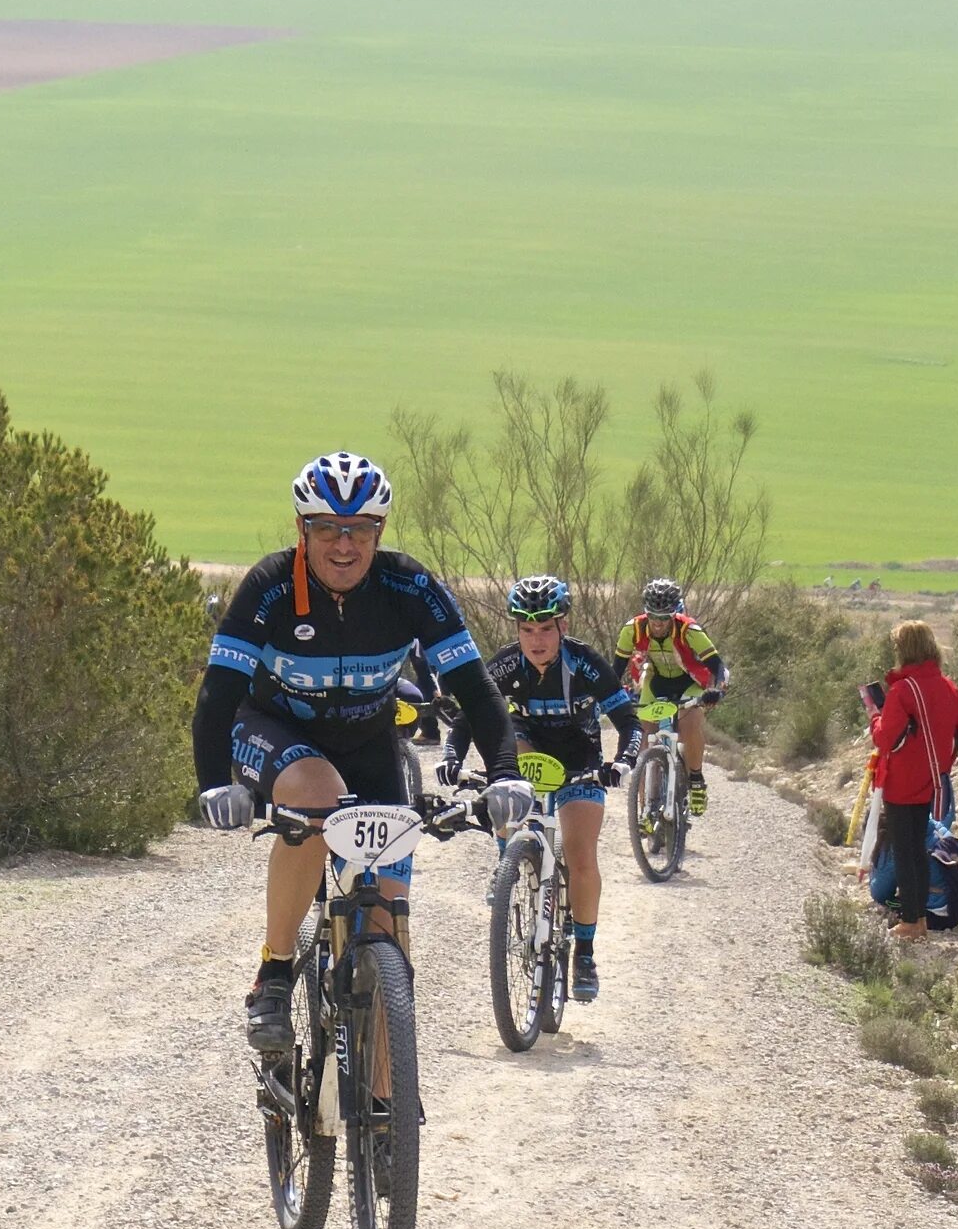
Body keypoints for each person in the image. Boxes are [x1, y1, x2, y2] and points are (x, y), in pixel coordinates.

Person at [191, 451, 526, 1052]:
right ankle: (274, 969)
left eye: (359, 531)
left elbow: (476, 689)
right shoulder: (269, 588)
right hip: (274, 730)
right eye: (327, 529)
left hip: (370, 747)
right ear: (303, 531)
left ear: (380, 533)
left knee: (388, 939)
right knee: (320, 802)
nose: (343, 546)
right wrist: (216, 781)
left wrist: (504, 773)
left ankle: (383, 1112)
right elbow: (217, 694)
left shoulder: (410, 586)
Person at [451, 576, 637, 1001]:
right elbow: (469, 718)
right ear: (516, 630)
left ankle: (585, 954)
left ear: (563, 627)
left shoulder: (584, 662)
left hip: (579, 760)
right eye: (526, 629)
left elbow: (627, 721)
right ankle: (510, 864)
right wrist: (450, 758)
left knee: (580, 853)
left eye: (545, 628)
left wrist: (621, 763)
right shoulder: (503, 664)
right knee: (506, 779)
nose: (536, 639)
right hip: (527, 750)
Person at [862, 620, 958, 942]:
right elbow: (956, 734)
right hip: (931, 780)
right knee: (918, 848)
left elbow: (884, 738)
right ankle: (918, 920)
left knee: (905, 850)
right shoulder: (949, 687)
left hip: (902, 781)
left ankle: (910, 920)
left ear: (905, 650)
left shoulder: (903, 691)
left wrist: (875, 716)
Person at [614, 578, 728, 815]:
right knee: (644, 736)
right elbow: (614, 670)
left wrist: (717, 690)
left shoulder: (689, 630)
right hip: (657, 683)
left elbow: (718, 666)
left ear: (674, 614)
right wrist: (610, 696)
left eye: (664, 617)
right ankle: (644, 809)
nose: (657, 623)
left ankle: (696, 780)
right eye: (653, 616)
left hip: (690, 683)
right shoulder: (632, 629)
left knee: (691, 723)